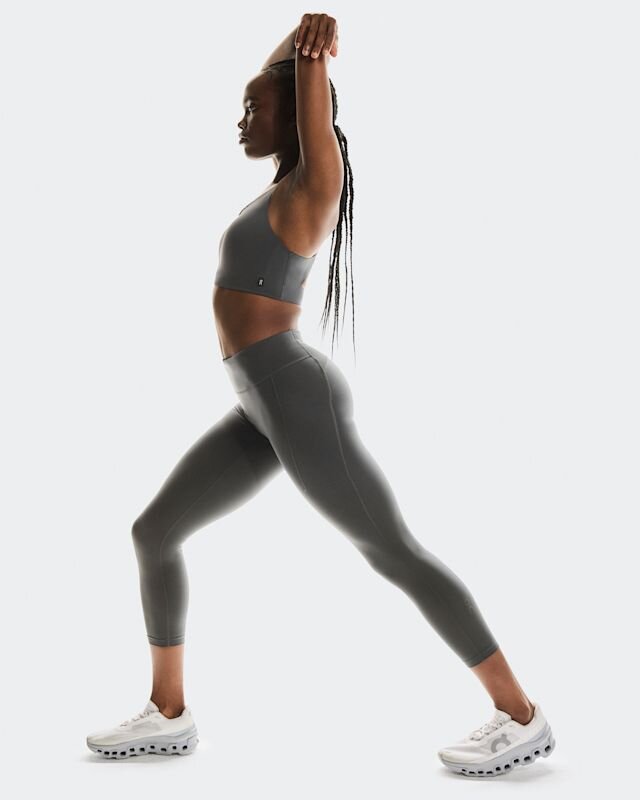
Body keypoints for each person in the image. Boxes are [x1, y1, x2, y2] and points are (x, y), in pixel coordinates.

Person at [86, 14, 556, 776]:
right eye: (243, 107)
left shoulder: (315, 182)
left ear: (299, 119)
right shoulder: (278, 187)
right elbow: (284, 72)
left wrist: (312, 53)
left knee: (392, 551)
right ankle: (169, 713)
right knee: (154, 532)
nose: (242, 119)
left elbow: (308, 92)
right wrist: (295, 41)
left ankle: (521, 715)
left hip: (293, 394)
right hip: (257, 401)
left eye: (254, 108)